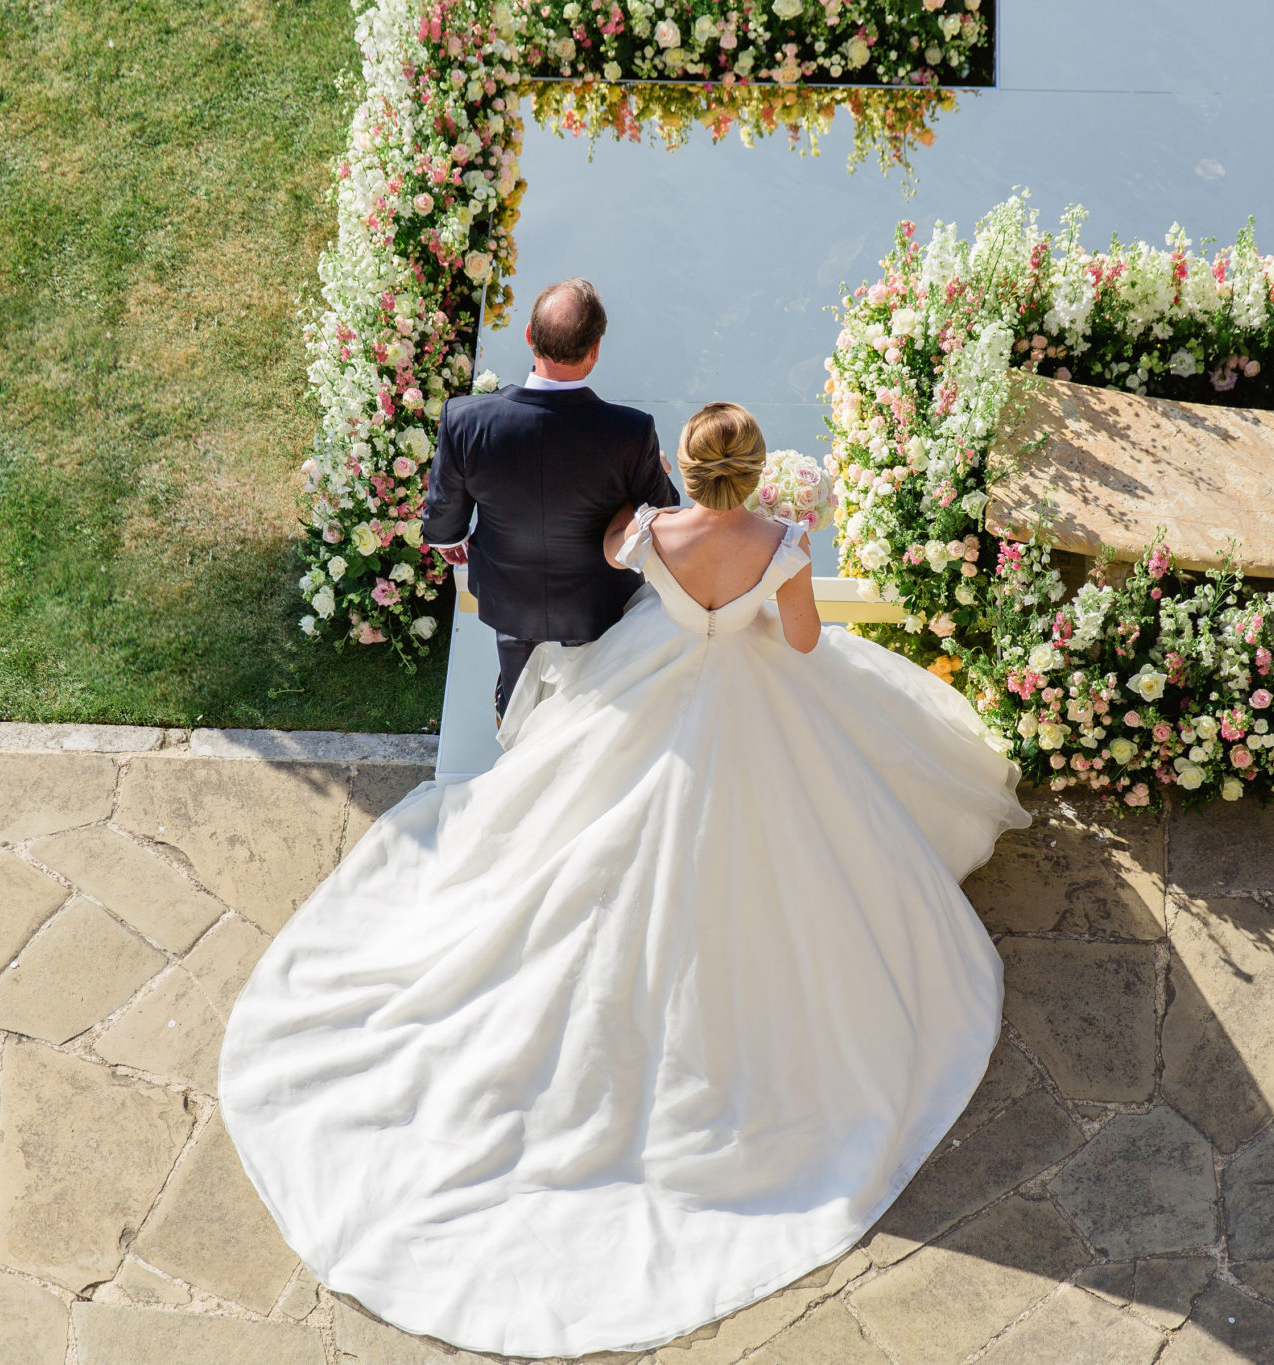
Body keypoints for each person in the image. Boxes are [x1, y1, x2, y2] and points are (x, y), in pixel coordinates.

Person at [219, 401, 1030, 1359]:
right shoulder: (784, 539)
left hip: (651, 686)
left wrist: (641, 534)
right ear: (760, 473)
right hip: (755, 695)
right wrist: (769, 585)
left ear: (687, 472)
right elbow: (807, 643)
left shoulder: (652, 532)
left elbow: (614, 558)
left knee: (580, 836)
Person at [421, 278, 679, 718]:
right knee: (592, 696)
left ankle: (513, 722)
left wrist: (449, 540)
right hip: (596, 602)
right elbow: (663, 515)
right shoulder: (629, 432)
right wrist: (654, 466)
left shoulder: (466, 419)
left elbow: (445, 516)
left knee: (516, 679)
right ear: (595, 351)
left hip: (509, 595)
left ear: (528, 336)